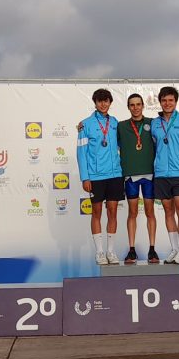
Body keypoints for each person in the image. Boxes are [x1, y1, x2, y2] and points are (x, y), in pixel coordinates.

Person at [150, 86, 179, 265]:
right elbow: (154, 147)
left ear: (175, 102)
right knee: (168, 211)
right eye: (164, 100)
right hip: (161, 174)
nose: (167, 103)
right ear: (160, 102)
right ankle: (174, 249)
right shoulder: (155, 123)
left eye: (170, 100)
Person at [76, 88, 125, 265]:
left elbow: (124, 143)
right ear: (95, 103)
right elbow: (81, 152)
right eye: (100, 101)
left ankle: (111, 251)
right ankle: (99, 252)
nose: (103, 104)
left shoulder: (114, 122)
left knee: (112, 212)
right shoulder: (85, 124)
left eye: (106, 101)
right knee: (96, 212)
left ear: (110, 102)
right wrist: (85, 177)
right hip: (95, 176)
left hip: (115, 174)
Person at [119, 94, 161, 264]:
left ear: (143, 106)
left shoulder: (153, 123)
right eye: (132, 105)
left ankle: (152, 250)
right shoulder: (121, 126)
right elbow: (103, 137)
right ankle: (131, 250)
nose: (135, 108)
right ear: (128, 107)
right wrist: (82, 128)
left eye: (138, 104)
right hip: (131, 175)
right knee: (133, 213)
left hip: (150, 175)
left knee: (150, 212)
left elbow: (169, 129)